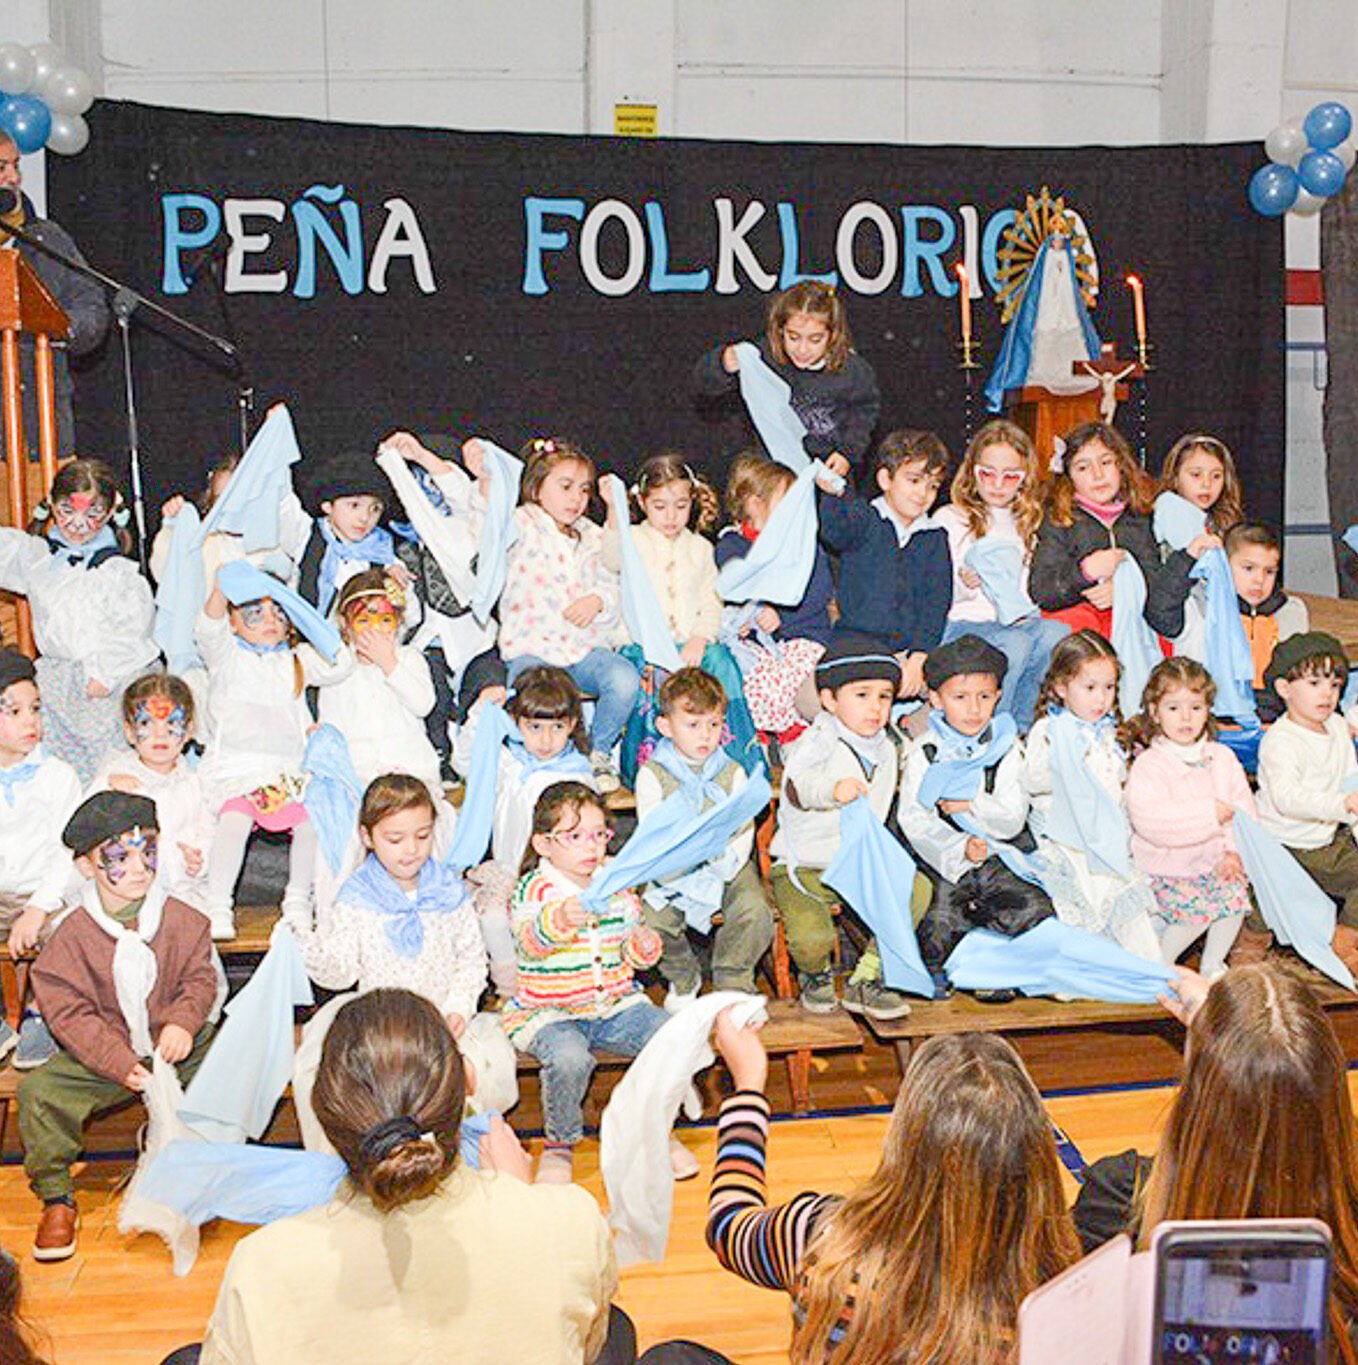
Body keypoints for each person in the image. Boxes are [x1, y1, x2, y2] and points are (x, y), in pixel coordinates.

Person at [193, 988, 634, 1365]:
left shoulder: (262, 1265)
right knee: (618, 1331)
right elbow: (583, 1342)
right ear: (467, 1083)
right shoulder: (570, 1219)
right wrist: (522, 1204)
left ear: (323, 1109)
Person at [638, 1012, 1079, 1365]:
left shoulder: (824, 1235)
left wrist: (750, 1087)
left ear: (906, 1137)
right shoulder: (1066, 1286)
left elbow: (728, 1225)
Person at [1073, 963, 1358, 1361]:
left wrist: (1221, 1046)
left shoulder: (1117, 1202)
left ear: (1198, 1098)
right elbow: (1279, 1088)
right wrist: (1232, 1039)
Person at [19, 791, 218, 1262]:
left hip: (173, 1048)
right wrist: (116, 1060)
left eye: (147, 851)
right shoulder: (71, 936)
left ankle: (213, 1169)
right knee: (40, 1093)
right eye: (117, 857)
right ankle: (56, 1197)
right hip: (107, 1055)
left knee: (232, 1059)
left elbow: (200, 979)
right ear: (87, 867)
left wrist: (184, 1023)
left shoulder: (185, 921)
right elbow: (68, 1012)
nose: (138, 867)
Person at [502, 781, 690, 1186]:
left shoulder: (616, 884)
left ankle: (656, 1130)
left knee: (668, 1036)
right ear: (543, 844)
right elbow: (531, 944)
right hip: (550, 1011)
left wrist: (643, 948)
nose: (591, 846)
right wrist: (561, 919)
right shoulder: (533, 889)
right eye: (574, 837)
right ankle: (560, 1144)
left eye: (598, 834)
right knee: (570, 1059)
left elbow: (631, 953)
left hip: (614, 1004)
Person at [196, 567, 351, 939]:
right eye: (254, 612)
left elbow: (341, 662)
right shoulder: (226, 656)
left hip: (283, 772)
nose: (269, 621)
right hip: (235, 767)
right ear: (233, 621)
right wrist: (223, 586)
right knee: (234, 822)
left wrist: (302, 613)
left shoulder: (295, 661)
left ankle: (297, 900)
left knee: (309, 824)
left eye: (278, 613)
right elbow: (207, 625)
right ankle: (218, 905)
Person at [769, 636, 913, 1020]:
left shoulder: (887, 747)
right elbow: (799, 787)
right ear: (830, 701)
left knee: (916, 889)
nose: (876, 707)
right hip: (805, 864)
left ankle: (866, 978)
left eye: (884, 697)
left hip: (855, 860)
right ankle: (815, 975)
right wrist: (832, 790)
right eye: (862, 695)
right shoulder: (816, 741)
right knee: (812, 938)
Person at [899, 635, 1052, 978]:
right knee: (936, 928)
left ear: (998, 696)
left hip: (998, 850)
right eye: (960, 697)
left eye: (984, 697)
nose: (974, 709)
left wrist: (971, 805)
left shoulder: (1007, 746)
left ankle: (997, 972)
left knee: (1034, 910)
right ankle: (952, 973)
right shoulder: (925, 751)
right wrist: (959, 848)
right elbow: (914, 818)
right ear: (936, 700)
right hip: (944, 860)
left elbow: (1012, 816)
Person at [603, 453, 758, 784]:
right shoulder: (632, 540)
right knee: (650, 672)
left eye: (680, 505)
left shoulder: (700, 548)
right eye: (660, 506)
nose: (671, 516)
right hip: (642, 644)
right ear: (643, 503)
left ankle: (735, 760)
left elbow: (711, 600)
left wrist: (701, 638)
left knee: (723, 662)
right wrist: (613, 512)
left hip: (689, 643)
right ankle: (650, 768)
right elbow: (611, 559)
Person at [0, 459, 157, 781]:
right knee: (55, 773)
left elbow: (134, 631)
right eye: (67, 511)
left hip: (108, 685)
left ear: (111, 512)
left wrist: (104, 674)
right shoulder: (38, 558)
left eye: (92, 513)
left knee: (109, 770)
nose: (78, 524)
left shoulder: (120, 575)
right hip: (57, 683)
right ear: (52, 505)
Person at [498, 437, 636, 792]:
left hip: (580, 651)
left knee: (623, 678)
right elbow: (488, 519)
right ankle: (522, 762)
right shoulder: (522, 523)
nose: (576, 498)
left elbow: (613, 579)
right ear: (536, 487)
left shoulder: (592, 535)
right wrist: (486, 479)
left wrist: (598, 602)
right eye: (565, 486)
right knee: (524, 691)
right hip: (534, 650)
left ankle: (599, 753)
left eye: (584, 490)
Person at [634, 668, 774, 1007]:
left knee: (755, 912)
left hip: (726, 861)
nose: (706, 736)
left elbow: (742, 828)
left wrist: (725, 859)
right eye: (693, 725)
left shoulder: (733, 772)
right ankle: (684, 977)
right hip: (672, 865)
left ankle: (733, 978)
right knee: (652, 920)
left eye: (714, 724)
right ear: (666, 726)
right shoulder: (652, 775)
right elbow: (653, 831)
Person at [455, 666, 598, 996]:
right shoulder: (510, 762)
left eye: (557, 727)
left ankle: (547, 988)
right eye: (534, 727)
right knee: (491, 919)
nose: (546, 740)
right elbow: (466, 761)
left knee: (542, 929)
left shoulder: (577, 776)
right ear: (515, 723)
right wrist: (480, 713)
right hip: (507, 871)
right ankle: (511, 991)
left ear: (572, 725)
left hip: (554, 879)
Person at [1023, 631, 1161, 959]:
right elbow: (1034, 781)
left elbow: (1117, 786)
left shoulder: (1108, 732)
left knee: (1121, 896)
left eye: (1109, 688)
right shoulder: (1051, 729)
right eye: (1089, 688)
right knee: (1085, 898)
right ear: (1060, 687)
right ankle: (1077, 969)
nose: (1101, 699)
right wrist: (1068, 759)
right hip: (1066, 836)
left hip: (1104, 835)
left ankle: (1145, 970)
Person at [935, 419, 1069, 729]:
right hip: (963, 624)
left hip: (1016, 623)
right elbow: (935, 589)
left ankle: (1024, 728)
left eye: (1010, 477)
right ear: (972, 471)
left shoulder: (1028, 523)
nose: (997, 485)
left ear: (1024, 479)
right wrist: (964, 584)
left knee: (1057, 634)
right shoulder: (952, 518)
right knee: (1015, 646)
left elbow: (1030, 588)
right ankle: (993, 730)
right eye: (987, 474)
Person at [1124, 658, 1254, 978]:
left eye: (1196, 707)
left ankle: (1213, 963)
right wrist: (1210, 814)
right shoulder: (1150, 765)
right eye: (1173, 708)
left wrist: (1233, 851)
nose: (1186, 717)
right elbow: (1153, 823)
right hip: (1167, 868)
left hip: (1213, 862)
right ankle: (1159, 963)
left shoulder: (1221, 757)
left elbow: (1245, 811)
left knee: (1234, 899)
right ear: (1155, 711)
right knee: (1196, 914)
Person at [694, 280, 880, 481]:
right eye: (793, 337)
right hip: (772, 470)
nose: (802, 349)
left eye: (815, 340)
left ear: (833, 335)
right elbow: (704, 385)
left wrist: (847, 453)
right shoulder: (765, 357)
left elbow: (865, 413)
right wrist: (722, 363)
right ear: (780, 331)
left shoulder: (853, 370)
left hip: (828, 470)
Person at [816, 429, 953, 702]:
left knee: (949, 691)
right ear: (885, 479)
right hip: (856, 643)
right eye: (913, 480)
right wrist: (832, 492)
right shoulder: (865, 519)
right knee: (816, 699)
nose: (922, 493)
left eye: (932, 485)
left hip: (907, 651)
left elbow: (935, 605)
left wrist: (918, 657)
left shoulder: (935, 538)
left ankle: (909, 722)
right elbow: (834, 530)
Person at [0, 132, 110, 459]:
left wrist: (60, 326)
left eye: (16, 166)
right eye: (1, 167)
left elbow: (91, 305)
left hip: (41, 429)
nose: (14, 177)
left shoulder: (46, 238)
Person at [1255, 632, 1358, 975]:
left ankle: (1343, 942)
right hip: (1282, 843)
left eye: (1335, 684)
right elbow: (1288, 798)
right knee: (1258, 906)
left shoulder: (1338, 728)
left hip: (1326, 837)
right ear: (1285, 689)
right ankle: (1247, 949)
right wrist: (1343, 803)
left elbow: (1350, 781)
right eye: (1314, 682)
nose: (1327, 694)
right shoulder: (1280, 741)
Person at [714, 453, 834, 747]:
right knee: (752, 674)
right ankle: (765, 735)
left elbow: (818, 593)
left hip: (804, 634)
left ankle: (794, 730)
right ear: (755, 504)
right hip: (756, 643)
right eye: (787, 501)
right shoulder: (732, 544)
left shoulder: (806, 546)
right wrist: (746, 618)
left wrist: (783, 616)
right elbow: (736, 588)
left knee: (797, 668)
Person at [1030, 422, 1185, 642]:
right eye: (1083, 467)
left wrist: (1124, 592)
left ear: (1121, 466)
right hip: (1083, 630)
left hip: (1133, 625)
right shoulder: (1059, 520)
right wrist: (1085, 573)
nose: (1098, 474)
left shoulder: (1140, 517)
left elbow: (1158, 583)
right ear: (1069, 477)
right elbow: (1042, 591)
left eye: (1106, 462)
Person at [0, 649, 81, 1065]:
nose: (30, 720)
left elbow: (67, 854)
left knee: (70, 931)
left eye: (34, 708)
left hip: (46, 892)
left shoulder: (57, 776)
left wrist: (37, 907)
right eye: (13, 711)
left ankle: (43, 1015)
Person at [87, 672, 213, 914]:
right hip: (127, 896)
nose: (160, 734)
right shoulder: (117, 780)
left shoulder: (195, 784)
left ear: (188, 732)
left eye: (171, 724)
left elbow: (208, 828)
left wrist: (200, 857)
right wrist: (105, 784)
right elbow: (87, 830)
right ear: (129, 733)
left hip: (183, 891)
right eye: (146, 723)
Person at [316, 570, 443, 793]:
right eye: (363, 620)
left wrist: (389, 663)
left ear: (398, 621)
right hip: (361, 780)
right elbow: (333, 729)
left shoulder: (409, 658)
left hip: (414, 775)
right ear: (345, 624)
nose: (374, 629)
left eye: (385, 620)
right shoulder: (336, 671)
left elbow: (424, 704)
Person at [1225, 522, 1310, 719]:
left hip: (1276, 713)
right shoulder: (1210, 610)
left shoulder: (1291, 612)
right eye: (1248, 568)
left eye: (1269, 571)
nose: (1259, 580)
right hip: (1222, 714)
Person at [1158, 432, 1244, 538]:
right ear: (1175, 477)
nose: (1207, 484)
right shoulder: (1167, 507)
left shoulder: (1225, 522)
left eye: (1216, 476)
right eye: (1196, 475)